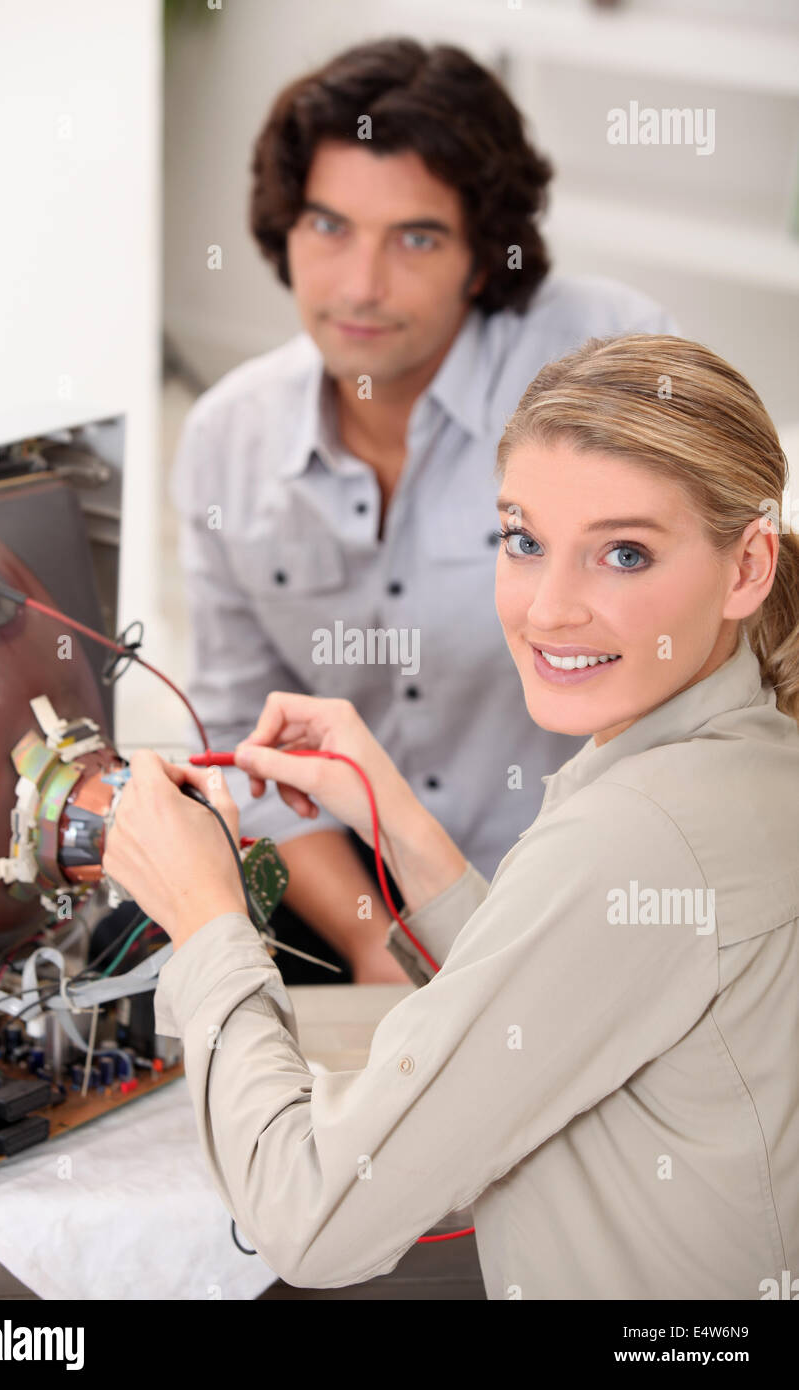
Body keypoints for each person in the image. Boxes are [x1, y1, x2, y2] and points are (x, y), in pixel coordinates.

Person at [106, 334, 799, 1299]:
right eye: (523, 540)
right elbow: (567, 995)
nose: (549, 610)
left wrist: (206, 918)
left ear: (747, 567)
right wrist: (397, 818)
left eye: (625, 553)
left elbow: (311, 1219)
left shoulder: (635, 834)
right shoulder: (747, 765)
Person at [170, 37, 679, 983]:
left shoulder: (616, 367)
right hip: (369, 902)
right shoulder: (226, 441)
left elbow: (694, 691)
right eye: (328, 226)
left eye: (415, 238)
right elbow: (242, 739)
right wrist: (378, 945)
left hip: (591, 890)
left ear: (483, 257)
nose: (360, 285)